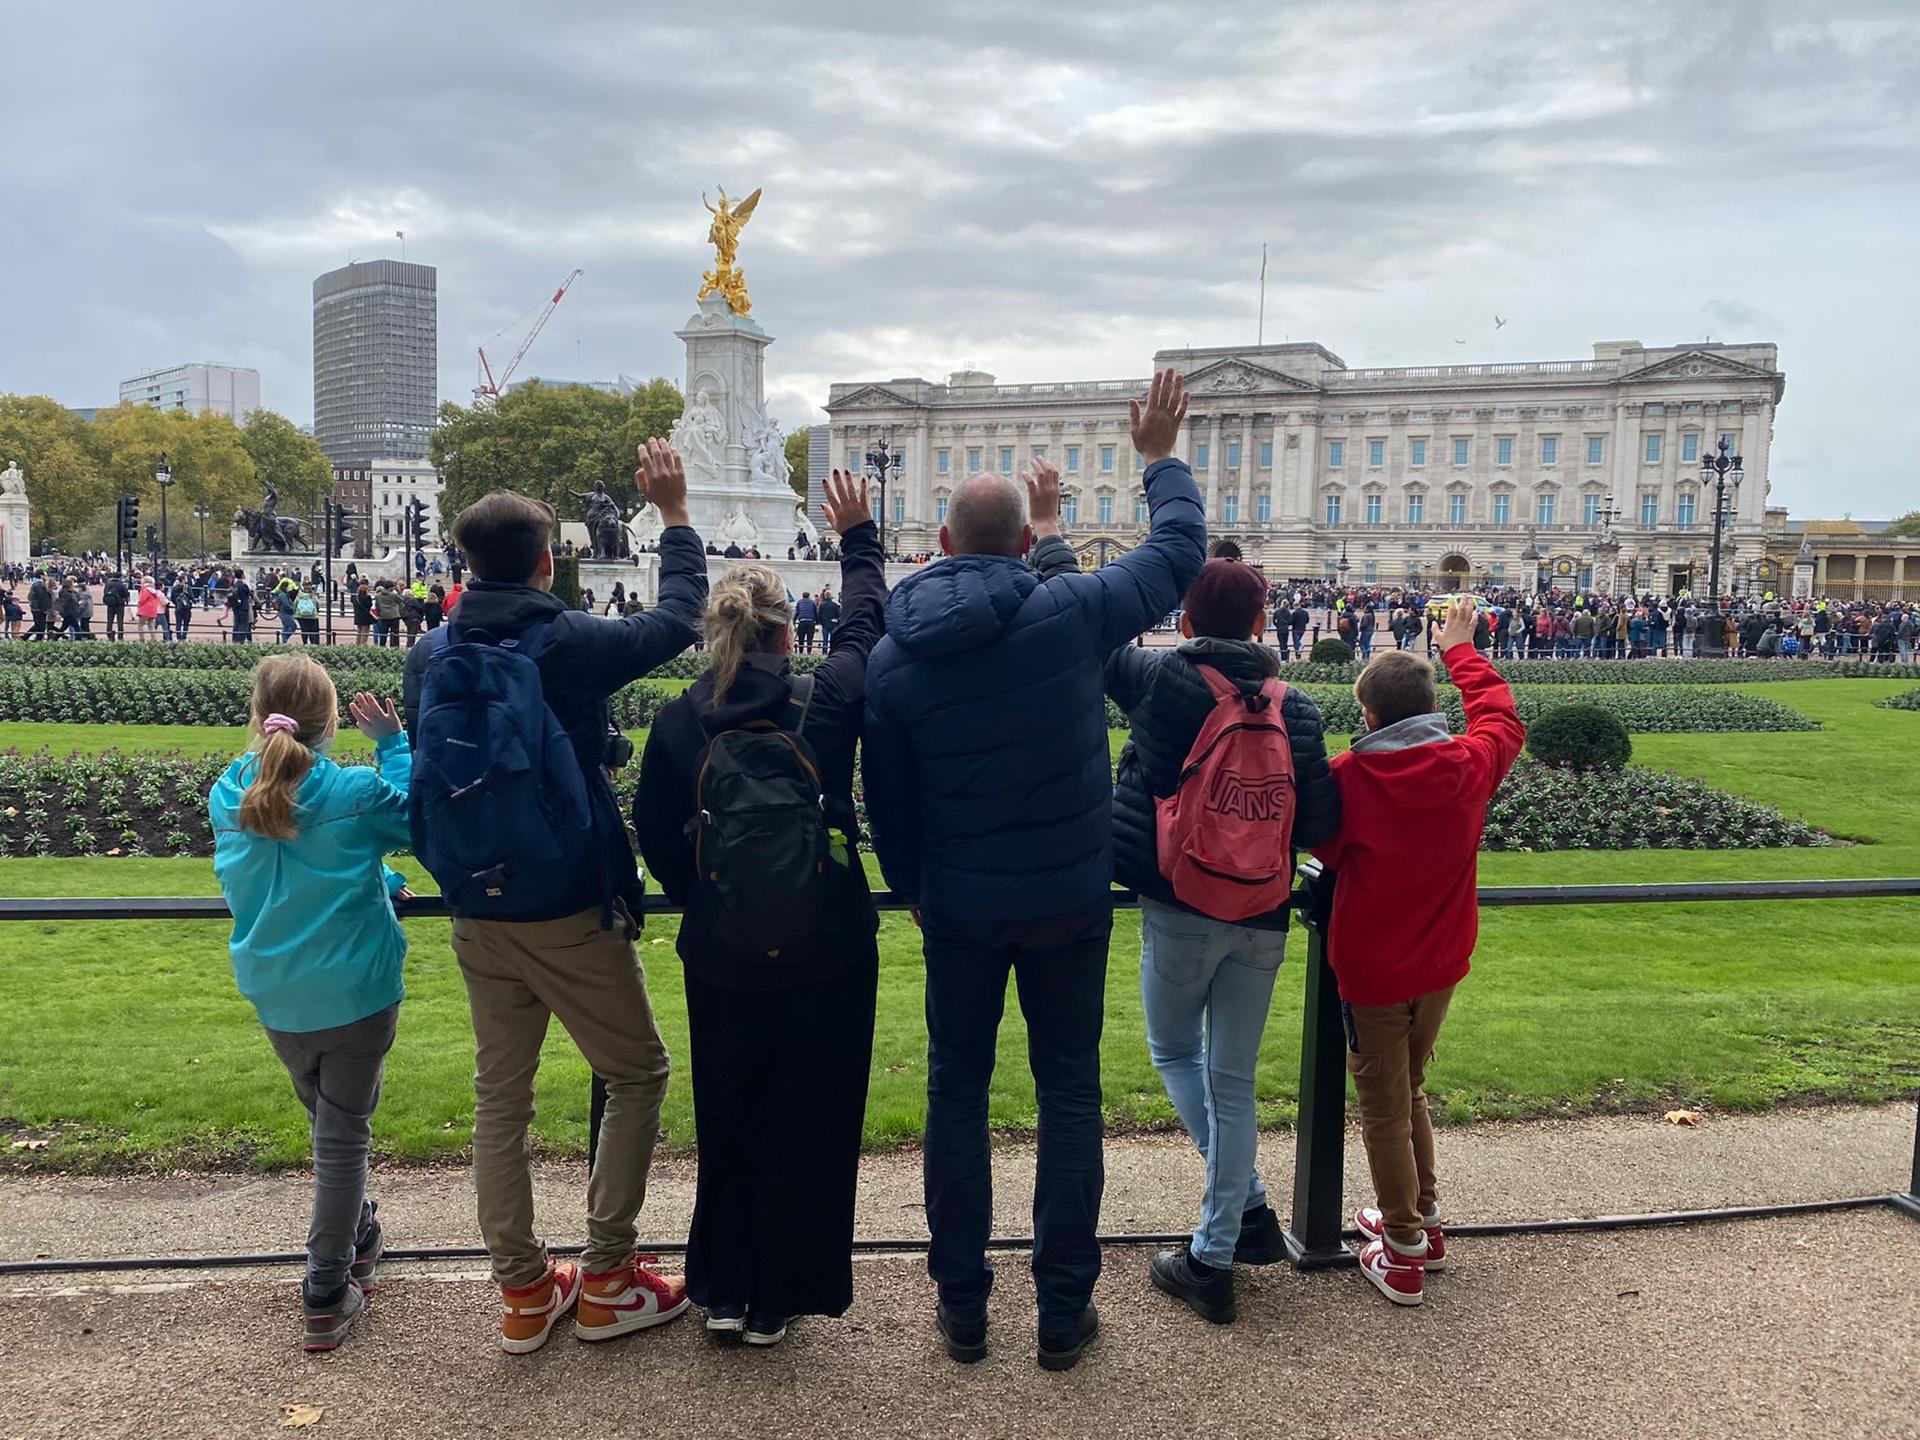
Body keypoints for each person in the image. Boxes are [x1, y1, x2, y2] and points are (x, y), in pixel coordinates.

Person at [863, 370, 1206, 1372]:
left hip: (960, 904)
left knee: (956, 1095)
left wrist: (921, 889)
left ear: (938, 546)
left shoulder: (895, 655)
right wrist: (1158, 458)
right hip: (1063, 899)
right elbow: (1177, 552)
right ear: (1024, 545)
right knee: (1067, 1096)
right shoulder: (1071, 613)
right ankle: (1062, 1312)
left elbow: (887, 802)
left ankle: (963, 1309)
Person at [401, 437, 708, 1355]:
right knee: (637, 1071)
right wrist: (677, 515)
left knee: (503, 1096)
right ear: (546, 560)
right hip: (570, 898)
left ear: (465, 560)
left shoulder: (429, 654)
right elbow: (681, 618)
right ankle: (609, 1273)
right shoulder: (567, 641)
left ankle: (525, 1292)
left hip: (474, 903)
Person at [633, 470, 884, 1348]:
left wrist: (704, 896)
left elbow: (655, 836)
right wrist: (858, 538)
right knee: (811, 1120)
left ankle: (726, 1286)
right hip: (829, 946)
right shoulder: (824, 701)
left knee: (730, 1116)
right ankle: (782, 1291)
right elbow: (862, 627)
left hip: (723, 950)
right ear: (787, 630)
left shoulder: (677, 721)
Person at [1102, 556, 1340, 1324]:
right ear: (1265, 623)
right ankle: (1241, 1219)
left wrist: (1046, 537)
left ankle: (1223, 1241)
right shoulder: (1294, 706)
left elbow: (1091, 637)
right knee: (1233, 1082)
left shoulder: (1161, 680)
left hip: (1179, 900)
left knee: (1175, 1053)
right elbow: (1322, 824)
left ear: (1189, 622)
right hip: (1262, 911)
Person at [1310, 599, 1524, 1307]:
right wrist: (1462, 648)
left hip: (1373, 969)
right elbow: (1500, 717)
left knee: (1381, 1106)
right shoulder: (1467, 764)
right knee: (1409, 1088)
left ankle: (1401, 1250)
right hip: (1441, 962)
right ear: (1429, 707)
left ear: (1370, 717)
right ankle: (1423, 1216)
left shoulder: (1350, 778)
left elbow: (1327, 846)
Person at [208, 654, 414, 1351]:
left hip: (275, 991)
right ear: (332, 724)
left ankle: (357, 1237)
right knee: (342, 1140)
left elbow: (287, 858)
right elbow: (421, 821)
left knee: (332, 1129)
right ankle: (326, 1285)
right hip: (355, 991)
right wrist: (394, 746)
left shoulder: (227, 793)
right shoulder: (353, 791)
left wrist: (373, 871)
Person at [135, 578, 163, 642]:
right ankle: (153, 639)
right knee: (151, 626)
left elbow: (142, 600)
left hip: (145, 610)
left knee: (140, 625)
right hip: (153, 610)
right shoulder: (154, 591)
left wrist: (139, 606)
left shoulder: (145, 590)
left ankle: (142, 639)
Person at [103, 573, 127, 641]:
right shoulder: (121, 584)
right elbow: (125, 594)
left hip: (110, 604)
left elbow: (105, 592)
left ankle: (109, 634)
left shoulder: (108, 584)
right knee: (120, 621)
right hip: (119, 604)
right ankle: (120, 635)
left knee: (109, 620)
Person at [816, 586, 840, 651]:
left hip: (825, 624)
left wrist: (820, 622)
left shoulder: (822, 605)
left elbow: (819, 615)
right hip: (833, 624)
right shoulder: (835, 605)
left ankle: (824, 652)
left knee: (825, 640)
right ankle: (833, 651)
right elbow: (838, 615)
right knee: (833, 639)